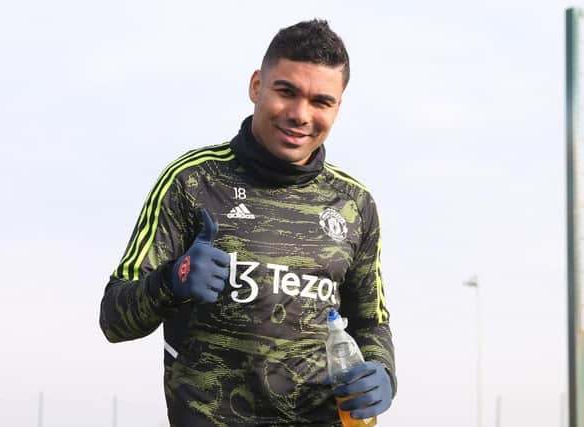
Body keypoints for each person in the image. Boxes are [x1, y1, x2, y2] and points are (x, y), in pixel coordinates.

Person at [100, 19, 396, 426]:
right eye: (286, 91)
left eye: (321, 101)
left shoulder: (355, 204)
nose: (299, 114)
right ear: (257, 85)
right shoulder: (191, 182)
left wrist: (383, 372)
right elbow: (114, 319)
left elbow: (371, 322)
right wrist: (172, 279)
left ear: (338, 107)